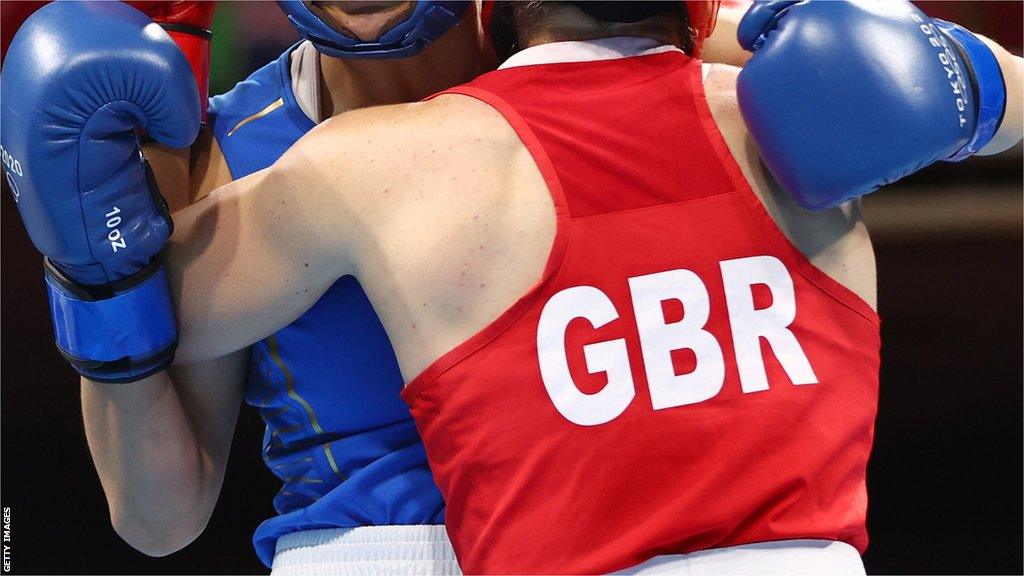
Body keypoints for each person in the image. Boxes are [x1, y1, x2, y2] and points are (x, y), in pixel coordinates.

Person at [4, 0, 1020, 574]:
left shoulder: (615, 34)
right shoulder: (228, 151)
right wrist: (94, 264)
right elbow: (158, 517)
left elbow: (978, 84)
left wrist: (958, 77)